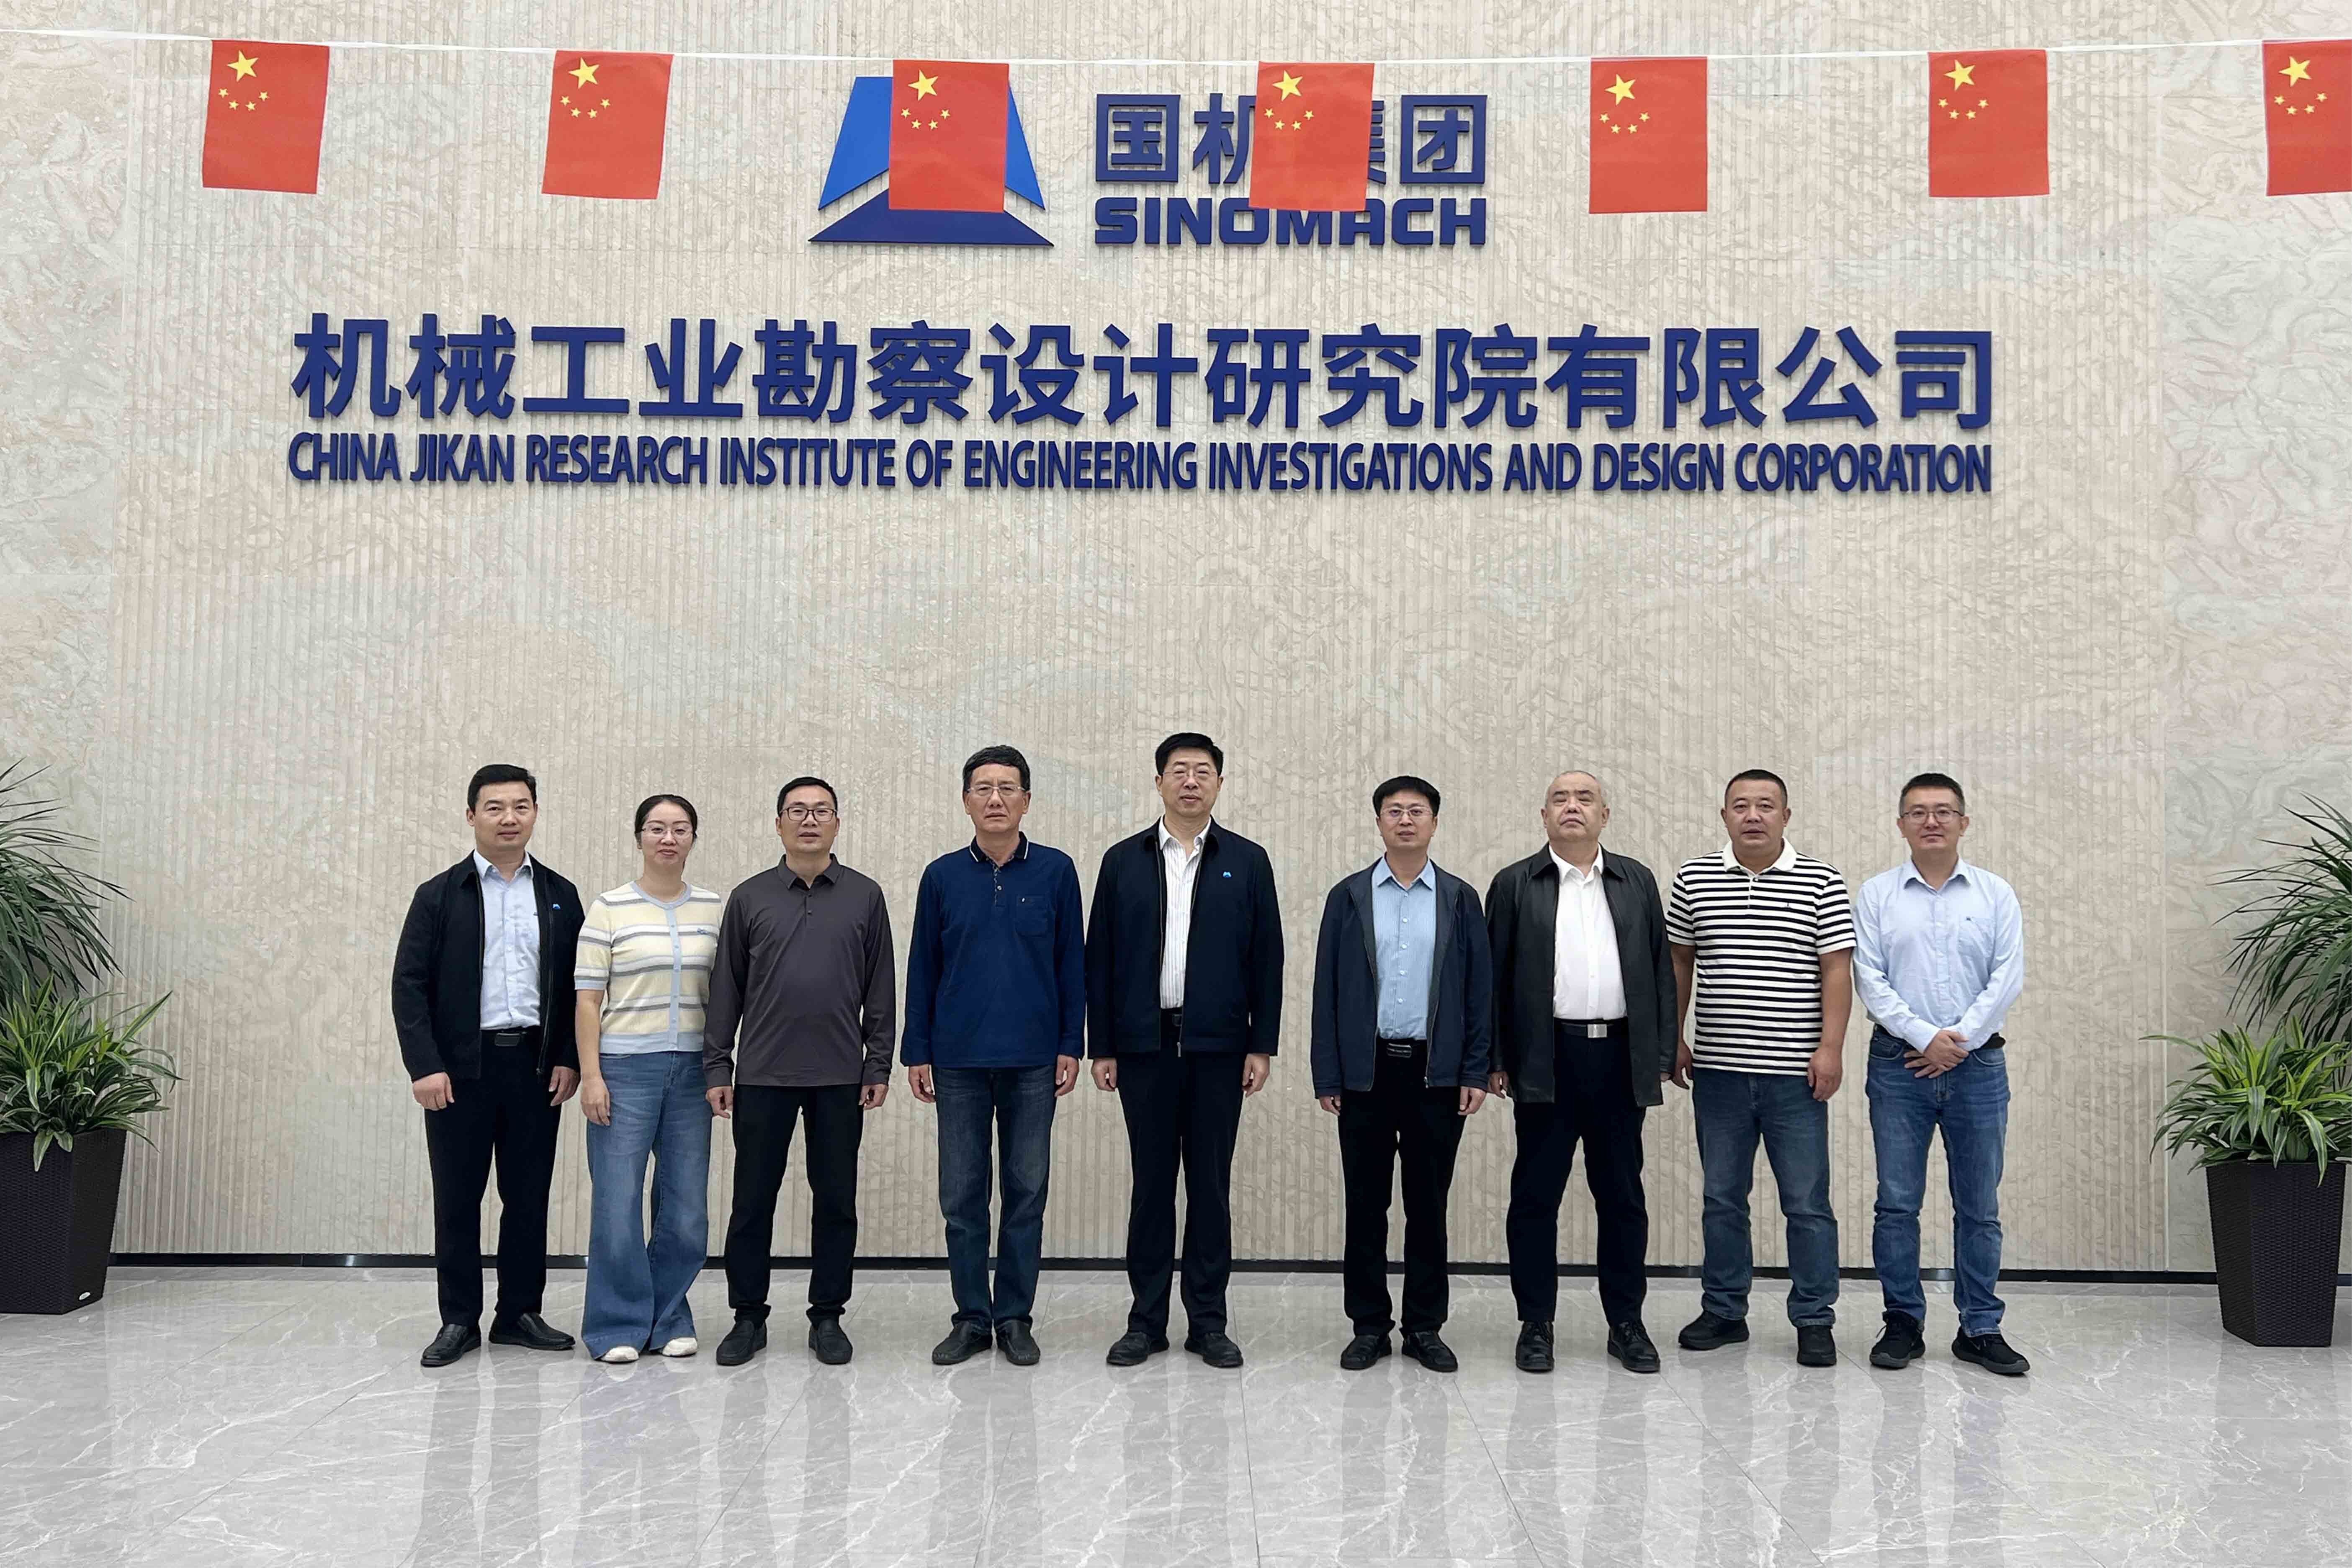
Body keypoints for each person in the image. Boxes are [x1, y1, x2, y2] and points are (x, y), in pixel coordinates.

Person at [1086, 732, 1284, 1370]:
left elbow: (1267, 958)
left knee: (1209, 1187)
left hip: (1219, 1049)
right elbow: (1100, 957)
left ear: (1219, 784)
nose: (1190, 781)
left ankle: (1207, 1321)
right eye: (1179, 771)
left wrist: (1261, 1044)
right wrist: (1102, 1045)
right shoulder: (1123, 860)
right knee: (1150, 1187)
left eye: (1202, 771)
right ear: (1158, 783)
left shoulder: (1246, 860)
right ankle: (1145, 1321)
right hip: (1142, 1047)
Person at [391, 764, 584, 1368]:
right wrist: (425, 1065)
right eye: (495, 807)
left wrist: (569, 1056)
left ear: (535, 813)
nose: (509, 818)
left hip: (535, 1067)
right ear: (471, 815)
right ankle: (458, 1319)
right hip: (459, 1072)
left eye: (521, 806)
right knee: (458, 1198)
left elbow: (580, 985)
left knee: (527, 1196)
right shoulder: (438, 894)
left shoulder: (559, 893)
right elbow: (409, 984)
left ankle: (519, 1313)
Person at [1485, 770, 1676, 1375]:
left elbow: (1659, 971)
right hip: (1546, 1058)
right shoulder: (1515, 883)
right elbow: (1493, 979)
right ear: (1544, 815)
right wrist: (1496, 1059)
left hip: (1619, 1058)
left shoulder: (1636, 880)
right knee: (1535, 1196)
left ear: (1604, 815)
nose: (1573, 806)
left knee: (1622, 1196)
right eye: (1560, 799)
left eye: (1585, 798)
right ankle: (1535, 1322)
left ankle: (1626, 1322)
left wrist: (1661, 1052)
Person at [703, 777, 896, 1368]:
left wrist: (878, 1061)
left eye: (821, 811)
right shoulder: (749, 897)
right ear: (778, 823)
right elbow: (726, 988)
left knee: (835, 1199)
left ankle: (828, 1315)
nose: (809, 820)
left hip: (840, 1074)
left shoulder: (865, 895)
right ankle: (748, 1316)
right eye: (797, 810)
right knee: (752, 1200)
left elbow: (881, 987)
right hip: (763, 1073)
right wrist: (718, 1065)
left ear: (837, 823)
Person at [903, 746, 1085, 1367]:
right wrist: (917, 1050)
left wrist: (1070, 1043)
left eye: (1008, 787)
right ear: (966, 801)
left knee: (1026, 1191)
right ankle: (971, 1318)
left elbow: (1072, 963)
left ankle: (1014, 1317)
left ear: (1027, 800)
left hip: (1034, 1060)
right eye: (983, 788)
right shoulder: (942, 876)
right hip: (957, 1061)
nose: (996, 798)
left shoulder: (1056, 871)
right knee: (962, 1196)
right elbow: (922, 967)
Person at [1668, 769, 1855, 1367]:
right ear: (1724, 815)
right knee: (1723, 1198)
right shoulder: (1693, 878)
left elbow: (1836, 970)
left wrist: (1831, 1048)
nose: (1753, 815)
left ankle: (1814, 1318)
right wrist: (1672, 1036)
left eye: (1766, 806)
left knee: (1806, 1203)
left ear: (1786, 816)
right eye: (1741, 806)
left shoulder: (1821, 880)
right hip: (1718, 1073)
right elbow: (1679, 962)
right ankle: (1724, 1311)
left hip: (1795, 1076)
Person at [1310, 775, 1493, 1373]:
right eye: (1395, 811)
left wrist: (1474, 1068)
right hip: (1365, 1074)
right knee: (1366, 1206)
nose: (1406, 820)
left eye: (1417, 811)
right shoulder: (1349, 896)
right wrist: (1327, 1074)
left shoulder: (1460, 898)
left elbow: (1479, 991)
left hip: (1435, 1075)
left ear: (1435, 823)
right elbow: (1326, 989)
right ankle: (1368, 1326)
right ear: (1379, 822)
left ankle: (1424, 1327)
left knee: (1428, 1206)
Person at [1853, 772, 2028, 1376]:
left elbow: (2007, 976)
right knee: (1897, 1203)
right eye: (1918, 812)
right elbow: (1869, 977)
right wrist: (1924, 1037)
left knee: (1978, 1205)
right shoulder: (1876, 894)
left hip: (1978, 1067)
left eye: (1944, 811)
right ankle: (1902, 1321)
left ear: (1964, 822)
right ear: (1901, 824)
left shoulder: (1995, 893)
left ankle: (1980, 1327)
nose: (1931, 821)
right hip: (1898, 1065)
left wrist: (1958, 1042)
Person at [573, 794, 722, 1365]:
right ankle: (615, 1323)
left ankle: (668, 1317)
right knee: (618, 1202)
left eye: (680, 828)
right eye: (657, 828)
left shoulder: (714, 908)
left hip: (692, 1074)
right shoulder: (609, 908)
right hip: (623, 1071)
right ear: (639, 837)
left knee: (685, 1209)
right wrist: (592, 1075)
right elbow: (588, 1000)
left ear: (693, 839)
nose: (668, 838)